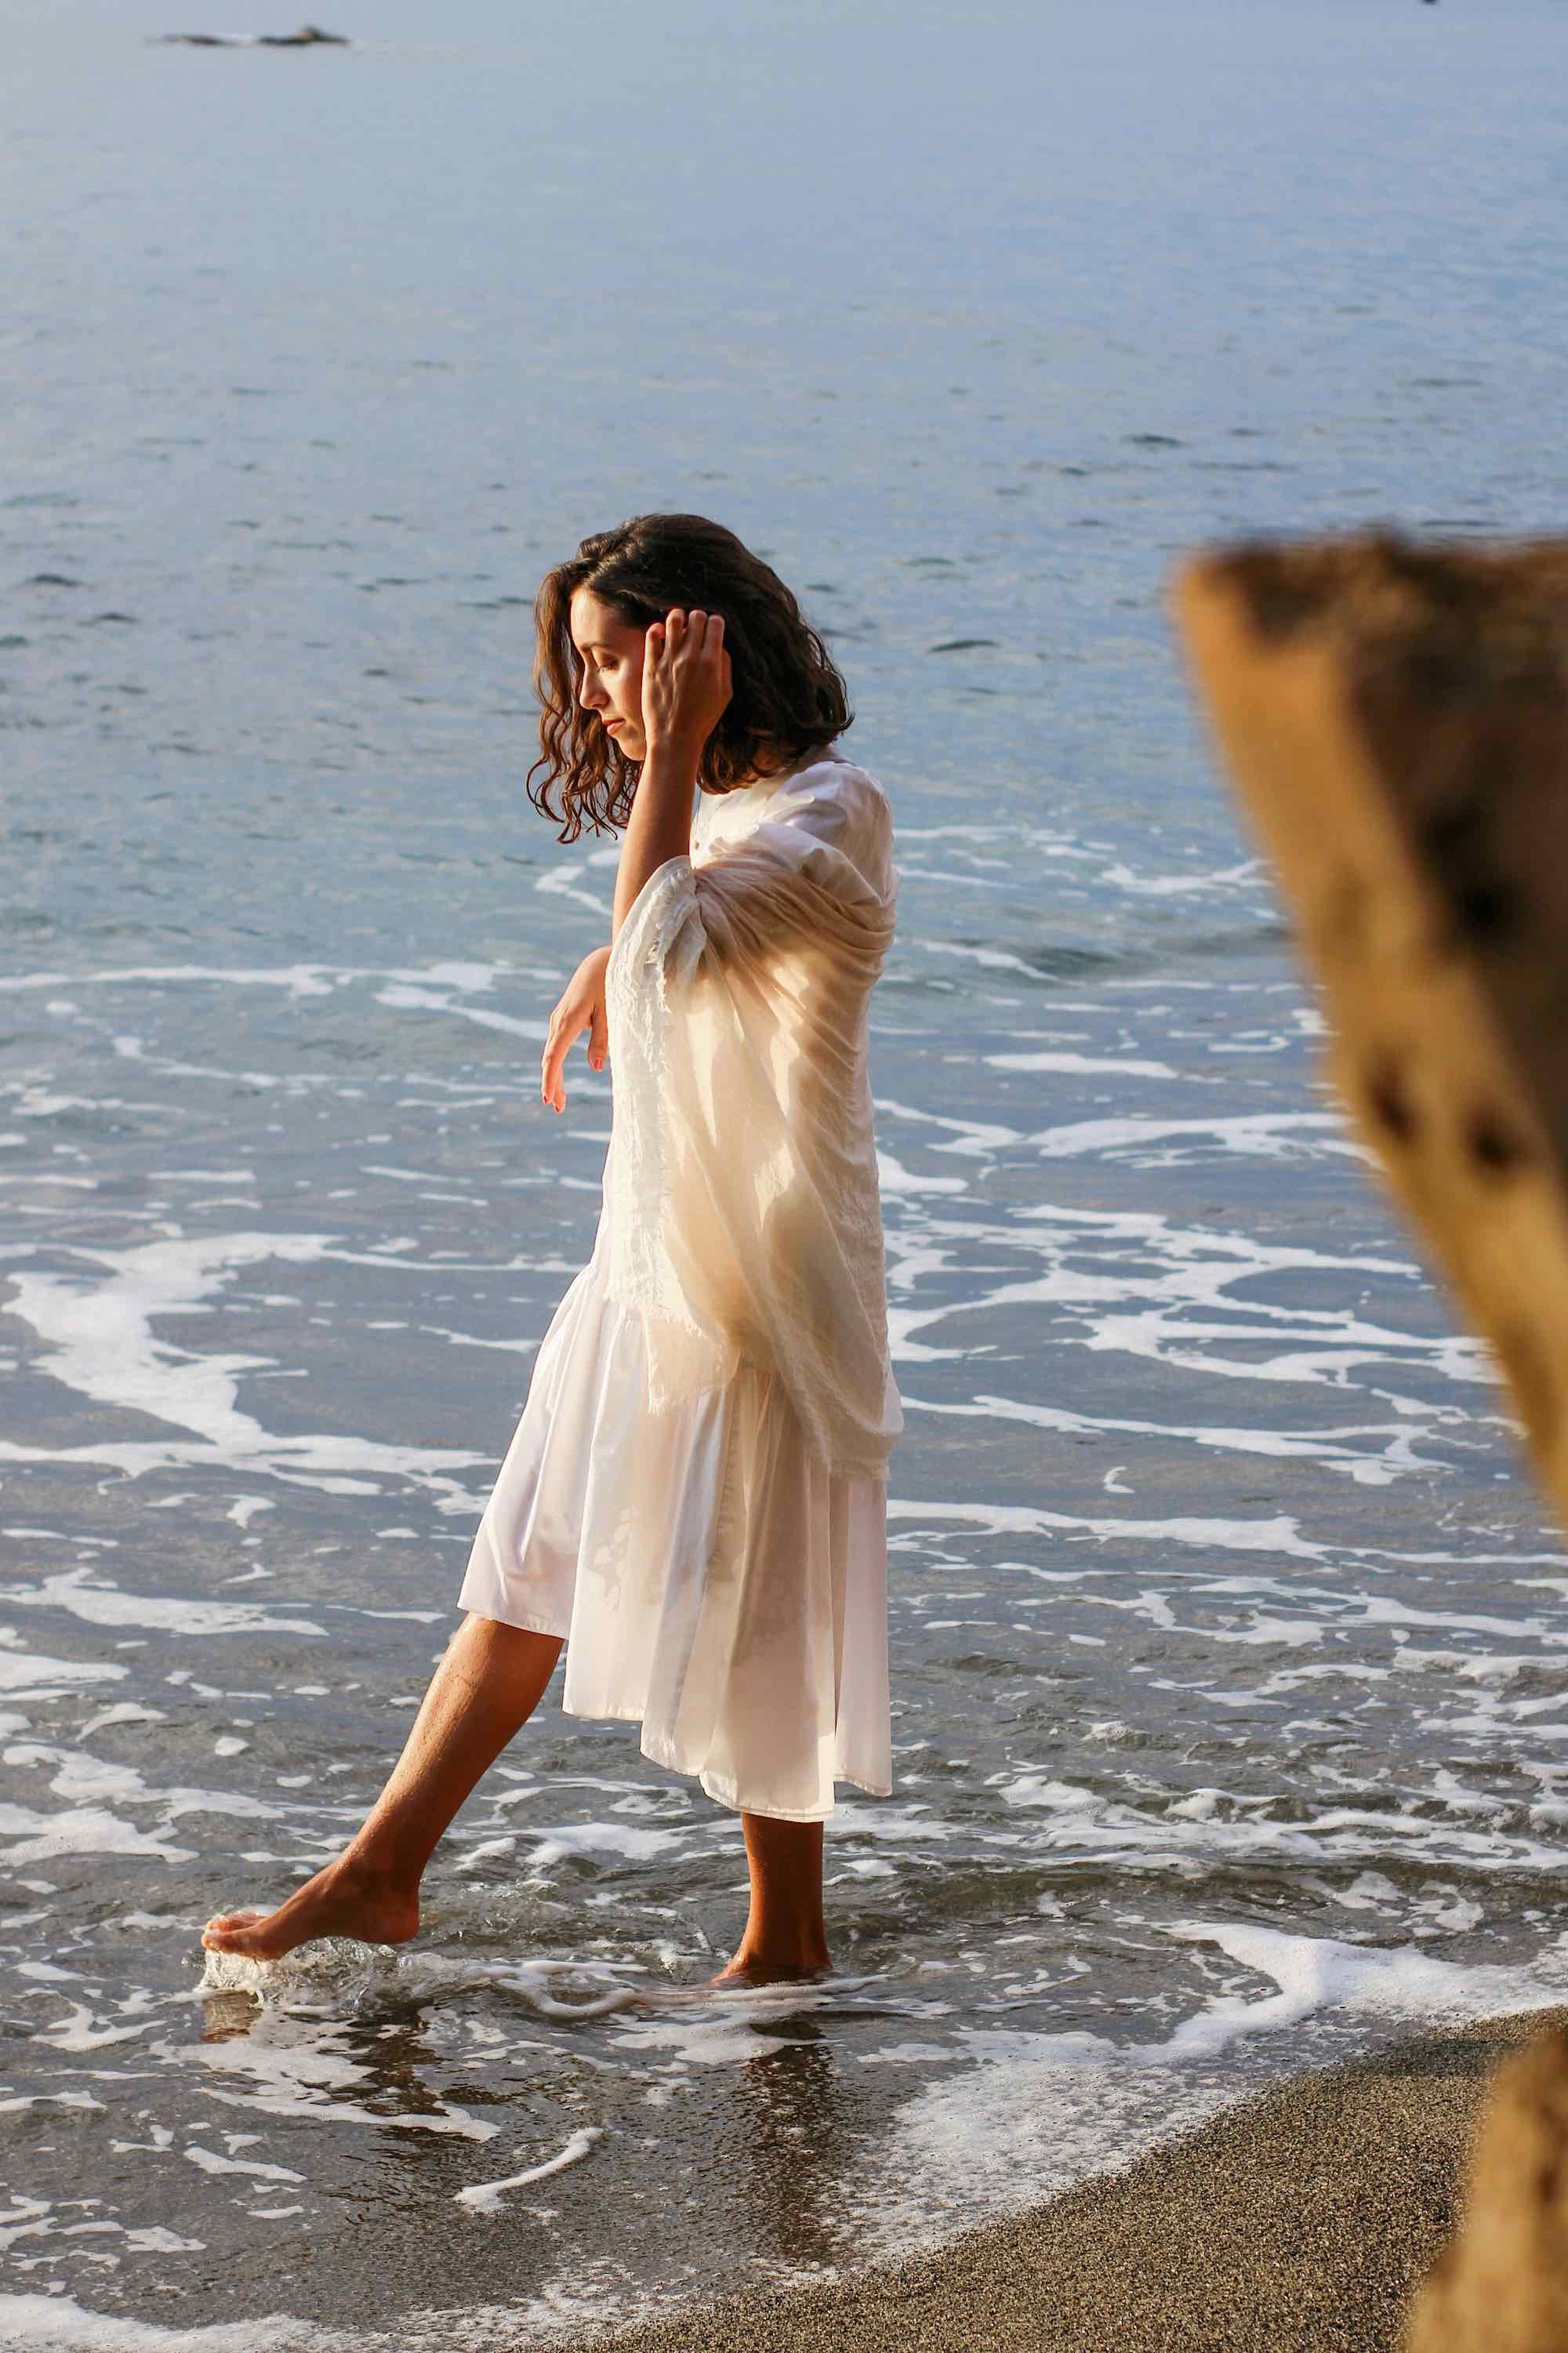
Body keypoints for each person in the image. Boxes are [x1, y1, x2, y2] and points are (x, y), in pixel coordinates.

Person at [201, 514, 903, 1984]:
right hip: (651, 1254)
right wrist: (624, 923)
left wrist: (658, 785)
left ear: (693, 649)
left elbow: (666, 944)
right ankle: (380, 1871)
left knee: (759, 1607)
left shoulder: (833, 811)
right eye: (583, 669)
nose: (592, 697)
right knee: (522, 1570)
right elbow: (666, 933)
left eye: (609, 664)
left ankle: (789, 1940)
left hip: (763, 1274)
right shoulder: (728, 813)